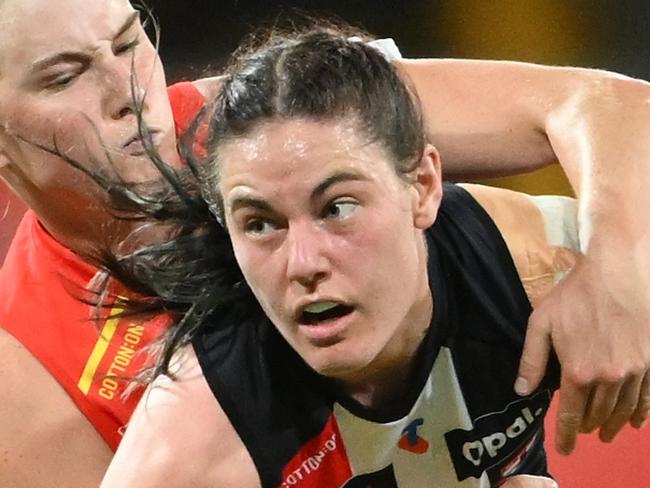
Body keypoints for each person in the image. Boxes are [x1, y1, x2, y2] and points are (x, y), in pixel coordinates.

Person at [1, 0, 650, 486]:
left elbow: (607, 106)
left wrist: (620, 271)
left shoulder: (283, 114)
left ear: (421, 182)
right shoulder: (28, 387)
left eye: (129, 40)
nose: (130, 93)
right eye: (64, 77)